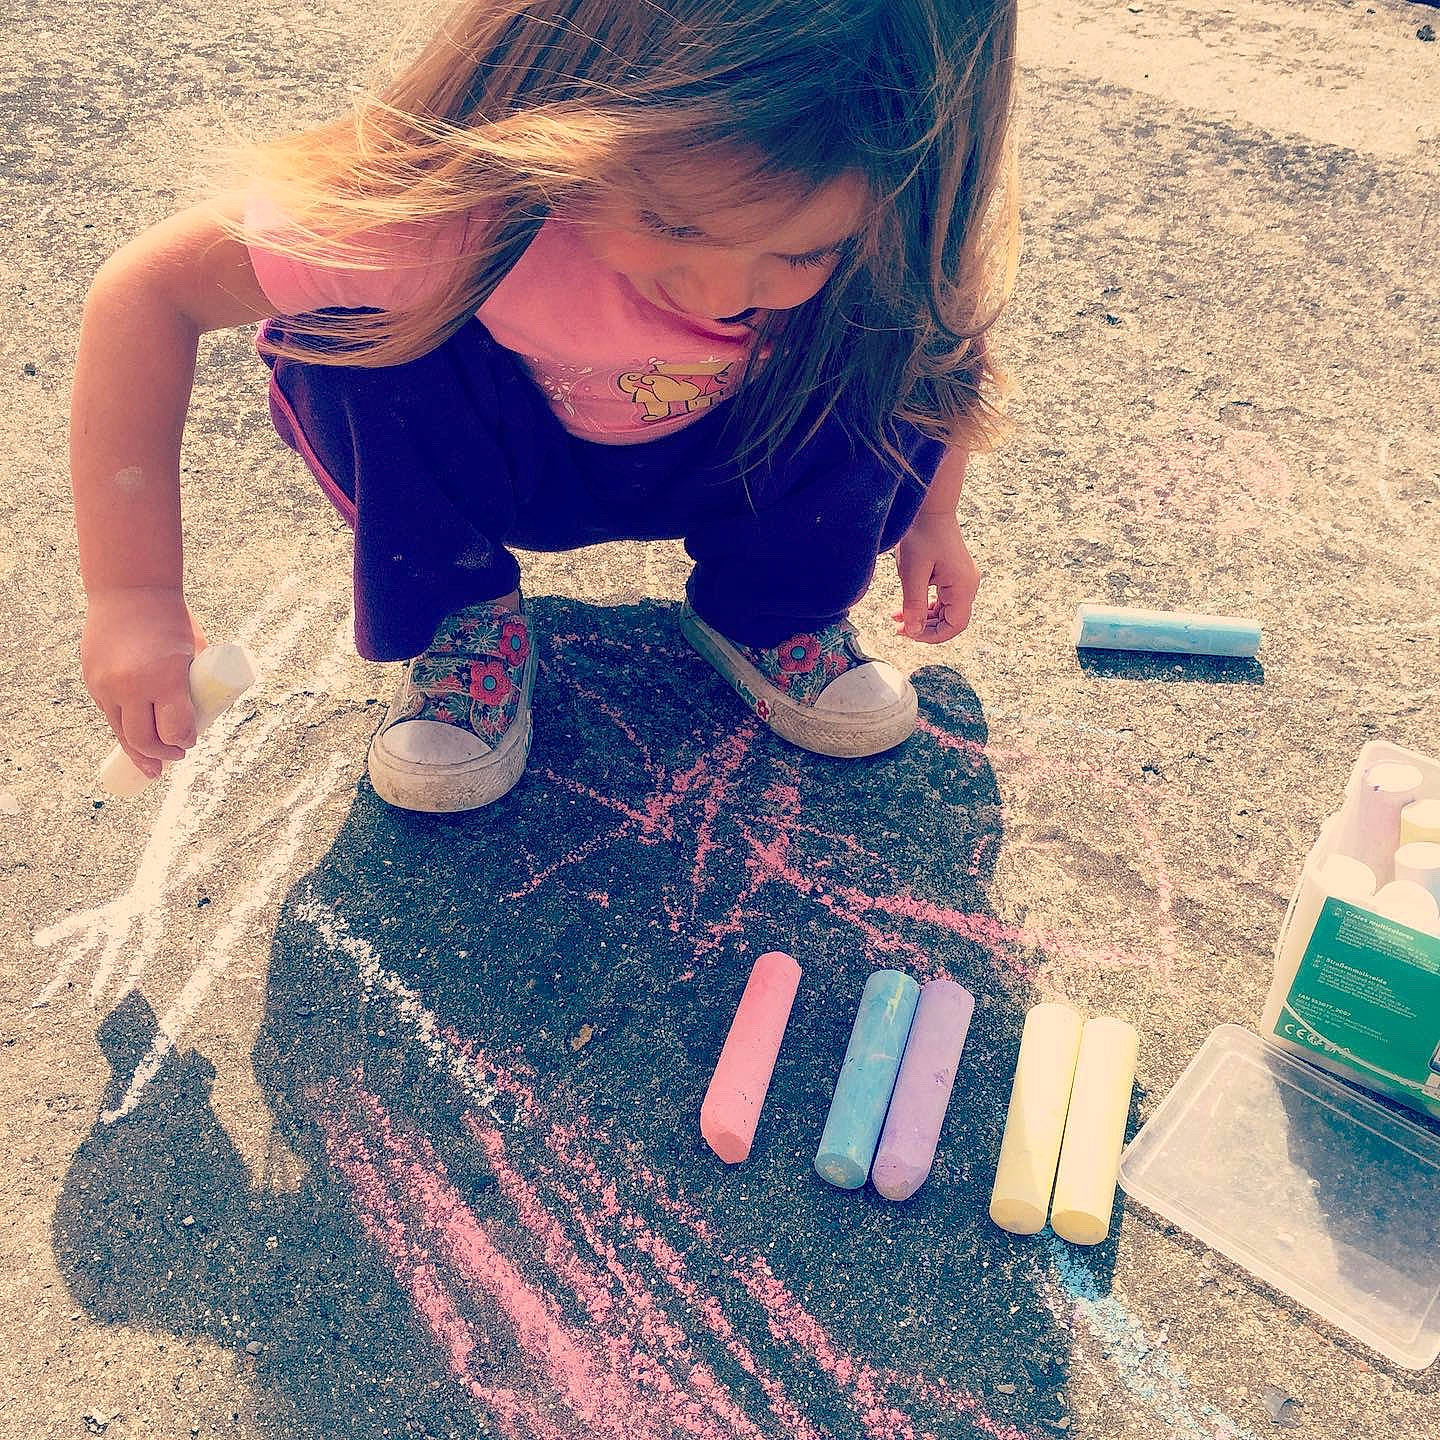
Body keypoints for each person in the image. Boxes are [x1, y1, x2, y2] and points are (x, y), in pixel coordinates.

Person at [70, 0, 1019, 813]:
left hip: (739, 456)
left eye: (797, 254)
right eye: (673, 226)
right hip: (511, 459)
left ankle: (774, 608)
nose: (721, 291)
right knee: (350, 328)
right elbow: (149, 293)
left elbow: (947, 337)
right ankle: (464, 616)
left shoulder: (883, 219)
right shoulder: (453, 212)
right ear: (567, 112)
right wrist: (133, 596)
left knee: (889, 331)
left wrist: (933, 514)